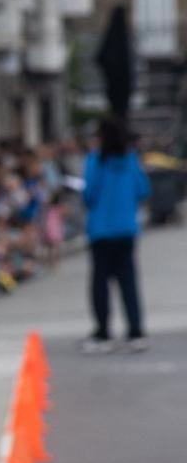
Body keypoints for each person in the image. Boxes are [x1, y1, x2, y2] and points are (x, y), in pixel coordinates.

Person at [82, 113, 151, 352]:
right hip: (126, 229)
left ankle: (103, 332)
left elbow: (88, 195)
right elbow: (143, 190)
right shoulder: (131, 160)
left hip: (100, 230)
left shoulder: (95, 161)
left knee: (100, 283)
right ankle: (135, 331)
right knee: (128, 282)